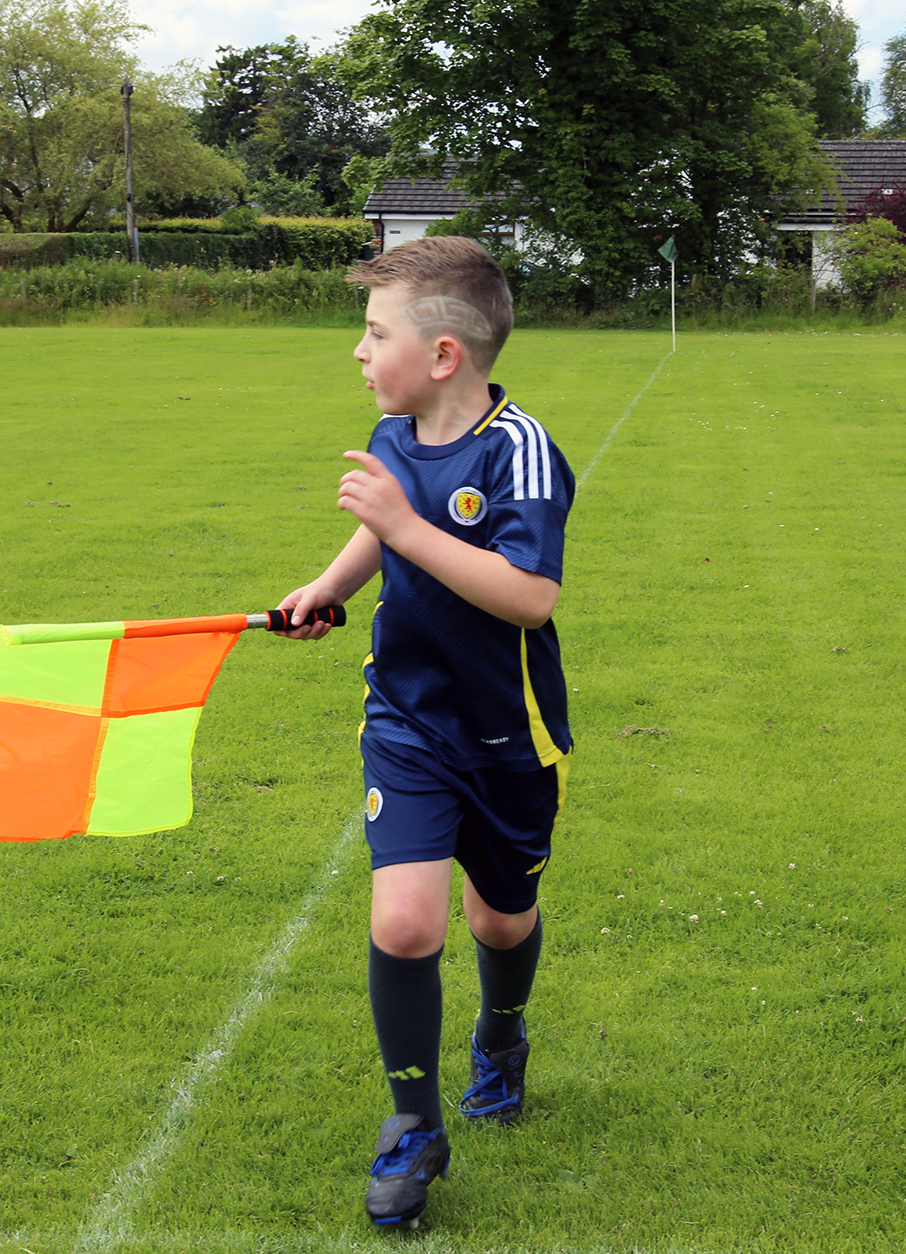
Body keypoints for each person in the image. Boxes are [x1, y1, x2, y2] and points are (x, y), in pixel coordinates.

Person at [273, 236, 574, 1225]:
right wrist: (328, 585)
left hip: (507, 735)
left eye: (373, 333)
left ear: (444, 355)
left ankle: (500, 1035)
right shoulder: (393, 433)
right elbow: (378, 529)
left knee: (499, 919)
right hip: (405, 721)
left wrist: (406, 529)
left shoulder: (519, 449)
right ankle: (412, 1123)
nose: (358, 352)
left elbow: (529, 596)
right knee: (405, 921)